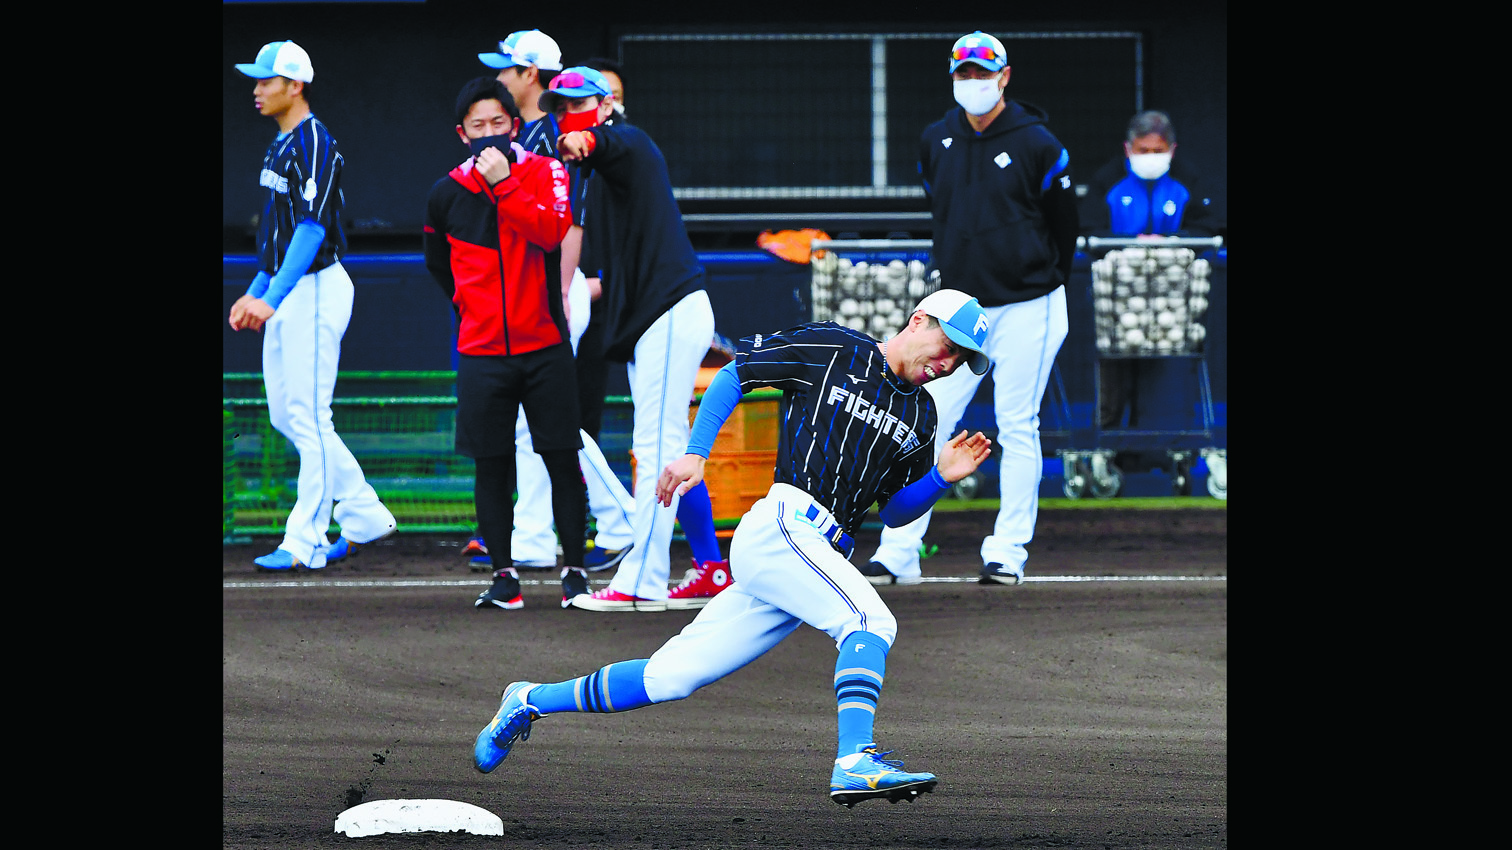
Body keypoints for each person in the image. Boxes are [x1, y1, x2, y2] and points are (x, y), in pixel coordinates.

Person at [470, 290, 995, 808]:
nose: (949, 364)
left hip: (814, 554)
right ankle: (855, 757)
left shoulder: (922, 417)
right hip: (784, 526)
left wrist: (939, 479)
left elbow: (895, 511)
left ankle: (529, 699)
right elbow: (734, 375)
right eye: (949, 346)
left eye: (962, 361)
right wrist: (696, 454)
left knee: (668, 677)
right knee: (870, 622)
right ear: (918, 319)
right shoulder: (835, 347)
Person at [859, 31, 1078, 588]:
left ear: (1005, 77)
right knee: (923, 421)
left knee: (1016, 425)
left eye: (983, 73)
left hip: (1031, 302)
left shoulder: (1038, 143)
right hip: (959, 309)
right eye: (964, 73)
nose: (973, 83)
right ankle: (899, 549)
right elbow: (940, 202)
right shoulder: (937, 139)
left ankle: (1007, 551)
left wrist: (1045, 279)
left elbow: (1064, 224)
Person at [547, 67, 732, 612]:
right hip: (657, 318)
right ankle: (703, 568)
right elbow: (608, 270)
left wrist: (585, 136)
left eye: (577, 104)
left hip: (671, 312)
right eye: (559, 107)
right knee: (662, 447)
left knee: (655, 446)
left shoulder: (626, 143)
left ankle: (644, 580)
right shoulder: (602, 181)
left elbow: (600, 141)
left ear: (605, 105)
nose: (566, 115)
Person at [465, 32, 635, 577]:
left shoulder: (553, 136)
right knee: (531, 429)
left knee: (554, 427)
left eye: (508, 70)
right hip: (538, 294)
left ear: (532, 74)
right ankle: (535, 536)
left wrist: (560, 291)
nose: (501, 80)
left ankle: (619, 521)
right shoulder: (534, 133)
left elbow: (572, 224)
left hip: (554, 292)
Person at [228, 40, 396, 571]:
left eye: (265, 80)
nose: (256, 88)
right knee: (288, 415)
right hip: (286, 287)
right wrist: (258, 290)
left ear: (294, 85)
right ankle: (365, 514)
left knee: (308, 416)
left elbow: (312, 227)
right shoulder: (281, 144)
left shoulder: (317, 141)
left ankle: (304, 540)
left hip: (317, 286)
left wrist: (270, 297)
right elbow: (275, 239)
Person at [421, 76, 587, 610]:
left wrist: (505, 184)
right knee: (491, 464)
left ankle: (575, 572)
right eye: (477, 126)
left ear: (515, 126)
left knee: (562, 457)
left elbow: (551, 233)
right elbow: (438, 267)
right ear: (461, 133)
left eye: (498, 123)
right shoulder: (445, 193)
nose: (489, 134)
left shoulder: (546, 172)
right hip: (482, 351)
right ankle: (504, 576)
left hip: (545, 345)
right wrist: (472, 309)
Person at [1081, 109, 1214, 431]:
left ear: (1172, 149)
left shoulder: (1187, 178)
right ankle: (1108, 447)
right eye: (1143, 151)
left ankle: (1170, 446)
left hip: (1174, 302)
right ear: (1129, 149)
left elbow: (1209, 228)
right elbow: (1088, 229)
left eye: (1157, 151)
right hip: (1117, 301)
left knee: (1170, 378)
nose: (1150, 157)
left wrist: (1170, 241)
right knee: (1113, 376)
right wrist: (1131, 242)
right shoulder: (1108, 178)